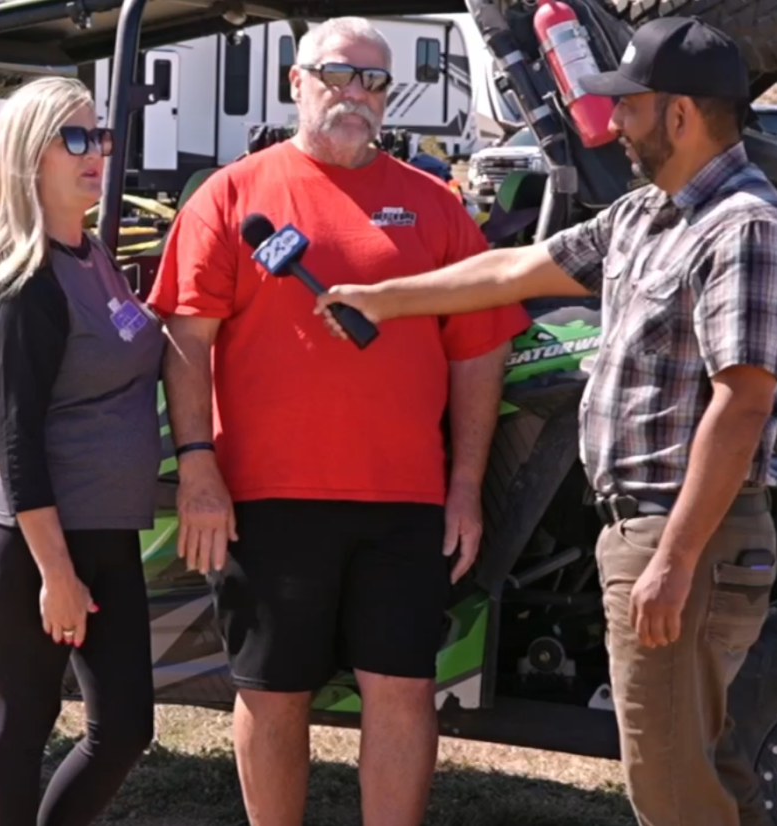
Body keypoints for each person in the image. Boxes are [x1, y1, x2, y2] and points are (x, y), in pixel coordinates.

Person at [313, 17, 777, 826]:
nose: (612, 123)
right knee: (700, 776)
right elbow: (514, 267)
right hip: (651, 536)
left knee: (673, 794)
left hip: (684, 538)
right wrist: (382, 300)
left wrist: (675, 562)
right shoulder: (648, 216)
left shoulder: (744, 228)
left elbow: (743, 402)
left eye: (629, 107)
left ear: (679, 115)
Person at [146, 16, 530, 826]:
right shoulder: (232, 194)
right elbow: (186, 337)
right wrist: (197, 466)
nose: (356, 95)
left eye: (374, 82)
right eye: (338, 75)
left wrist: (464, 486)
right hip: (267, 498)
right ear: (296, 81)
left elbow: (480, 350)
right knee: (273, 694)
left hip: (405, 503)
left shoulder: (434, 206)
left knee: (404, 692)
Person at [0, 76, 164, 826]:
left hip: (109, 528)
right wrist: (56, 574)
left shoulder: (92, 252)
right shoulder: (25, 284)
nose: (96, 152)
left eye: (98, 135)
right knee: (24, 724)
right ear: (27, 158)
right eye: (74, 138)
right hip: (40, 539)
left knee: (128, 728)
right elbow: (18, 445)